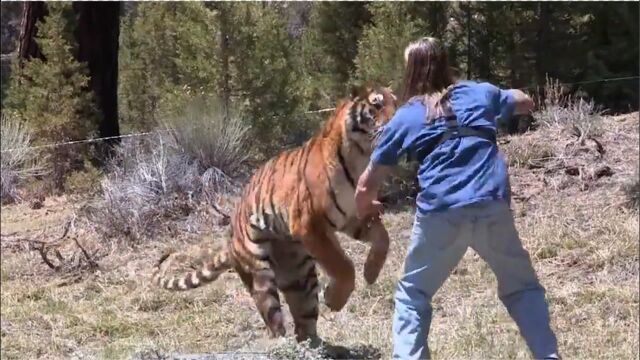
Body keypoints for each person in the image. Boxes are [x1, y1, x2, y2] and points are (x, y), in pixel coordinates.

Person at [354, 37, 560, 360]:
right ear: (446, 63)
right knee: (522, 288)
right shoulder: (478, 92)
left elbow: (366, 186)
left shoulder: (408, 116)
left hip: (440, 213)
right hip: (491, 204)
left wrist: (367, 209)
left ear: (411, 71)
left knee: (413, 295)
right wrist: (516, 96)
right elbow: (524, 102)